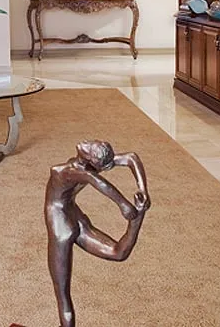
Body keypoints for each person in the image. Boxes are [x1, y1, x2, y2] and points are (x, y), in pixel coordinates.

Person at [44, 140, 150, 327]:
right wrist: (136, 196)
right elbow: (129, 158)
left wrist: (130, 200)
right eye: (94, 144)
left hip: (61, 225)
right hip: (74, 216)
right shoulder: (87, 167)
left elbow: (99, 178)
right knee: (117, 252)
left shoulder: (63, 171)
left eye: (90, 148)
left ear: (92, 160)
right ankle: (137, 220)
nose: (85, 144)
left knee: (62, 294)